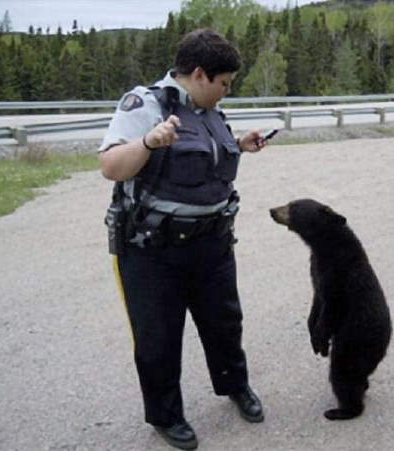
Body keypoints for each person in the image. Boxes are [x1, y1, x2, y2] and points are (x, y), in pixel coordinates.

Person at [98, 28, 267, 450]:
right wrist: (147, 141)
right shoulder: (145, 105)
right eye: (223, 83)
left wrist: (239, 145)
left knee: (225, 324)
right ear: (198, 74)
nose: (226, 92)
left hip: (212, 244)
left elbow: (199, 161)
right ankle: (166, 416)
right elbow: (111, 166)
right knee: (157, 336)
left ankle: (235, 386)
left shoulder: (209, 110)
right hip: (153, 249)